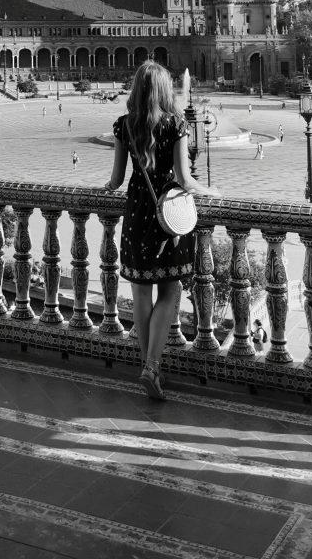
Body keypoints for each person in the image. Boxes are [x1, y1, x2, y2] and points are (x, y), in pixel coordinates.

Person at [103, 61, 219, 402]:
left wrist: (103, 189)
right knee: (171, 290)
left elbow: (116, 180)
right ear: (165, 90)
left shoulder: (124, 125)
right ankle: (152, 366)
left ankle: (147, 366)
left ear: (138, 90)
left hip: (137, 213)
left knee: (141, 293)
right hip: (168, 215)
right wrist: (210, 191)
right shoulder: (176, 124)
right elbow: (184, 178)